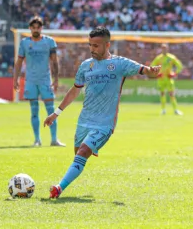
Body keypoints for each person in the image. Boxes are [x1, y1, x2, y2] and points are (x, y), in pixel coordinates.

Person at [44, 27, 160, 199]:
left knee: (83, 152)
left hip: (104, 123)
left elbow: (145, 71)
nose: (92, 49)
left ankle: (59, 188)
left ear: (107, 45)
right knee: (78, 154)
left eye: (96, 46)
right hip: (84, 120)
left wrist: (152, 71)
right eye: (90, 45)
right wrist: (56, 113)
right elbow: (75, 91)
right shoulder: (85, 66)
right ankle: (90, 149)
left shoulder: (120, 64)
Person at [12, 16, 65, 147]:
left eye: (38, 27)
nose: (36, 30)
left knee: (51, 110)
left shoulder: (49, 42)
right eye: (33, 27)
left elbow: (54, 61)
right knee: (34, 111)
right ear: (30, 28)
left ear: (41, 28)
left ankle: (54, 139)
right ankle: (37, 140)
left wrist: (56, 79)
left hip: (46, 80)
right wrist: (16, 79)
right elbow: (19, 62)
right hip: (31, 80)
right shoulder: (24, 43)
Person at [151, 43, 184, 115]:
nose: (164, 50)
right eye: (163, 48)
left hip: (169, 79)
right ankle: (163, 110)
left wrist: (175, 73)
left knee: (171, 94)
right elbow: (152, 66)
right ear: (161, 49)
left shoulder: (172, 57)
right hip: (161, 79)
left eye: (165, 48)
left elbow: (180, 66)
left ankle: (176, 110)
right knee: (162, 94)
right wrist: (157, 73)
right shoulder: (158, 58)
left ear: (167, 49)